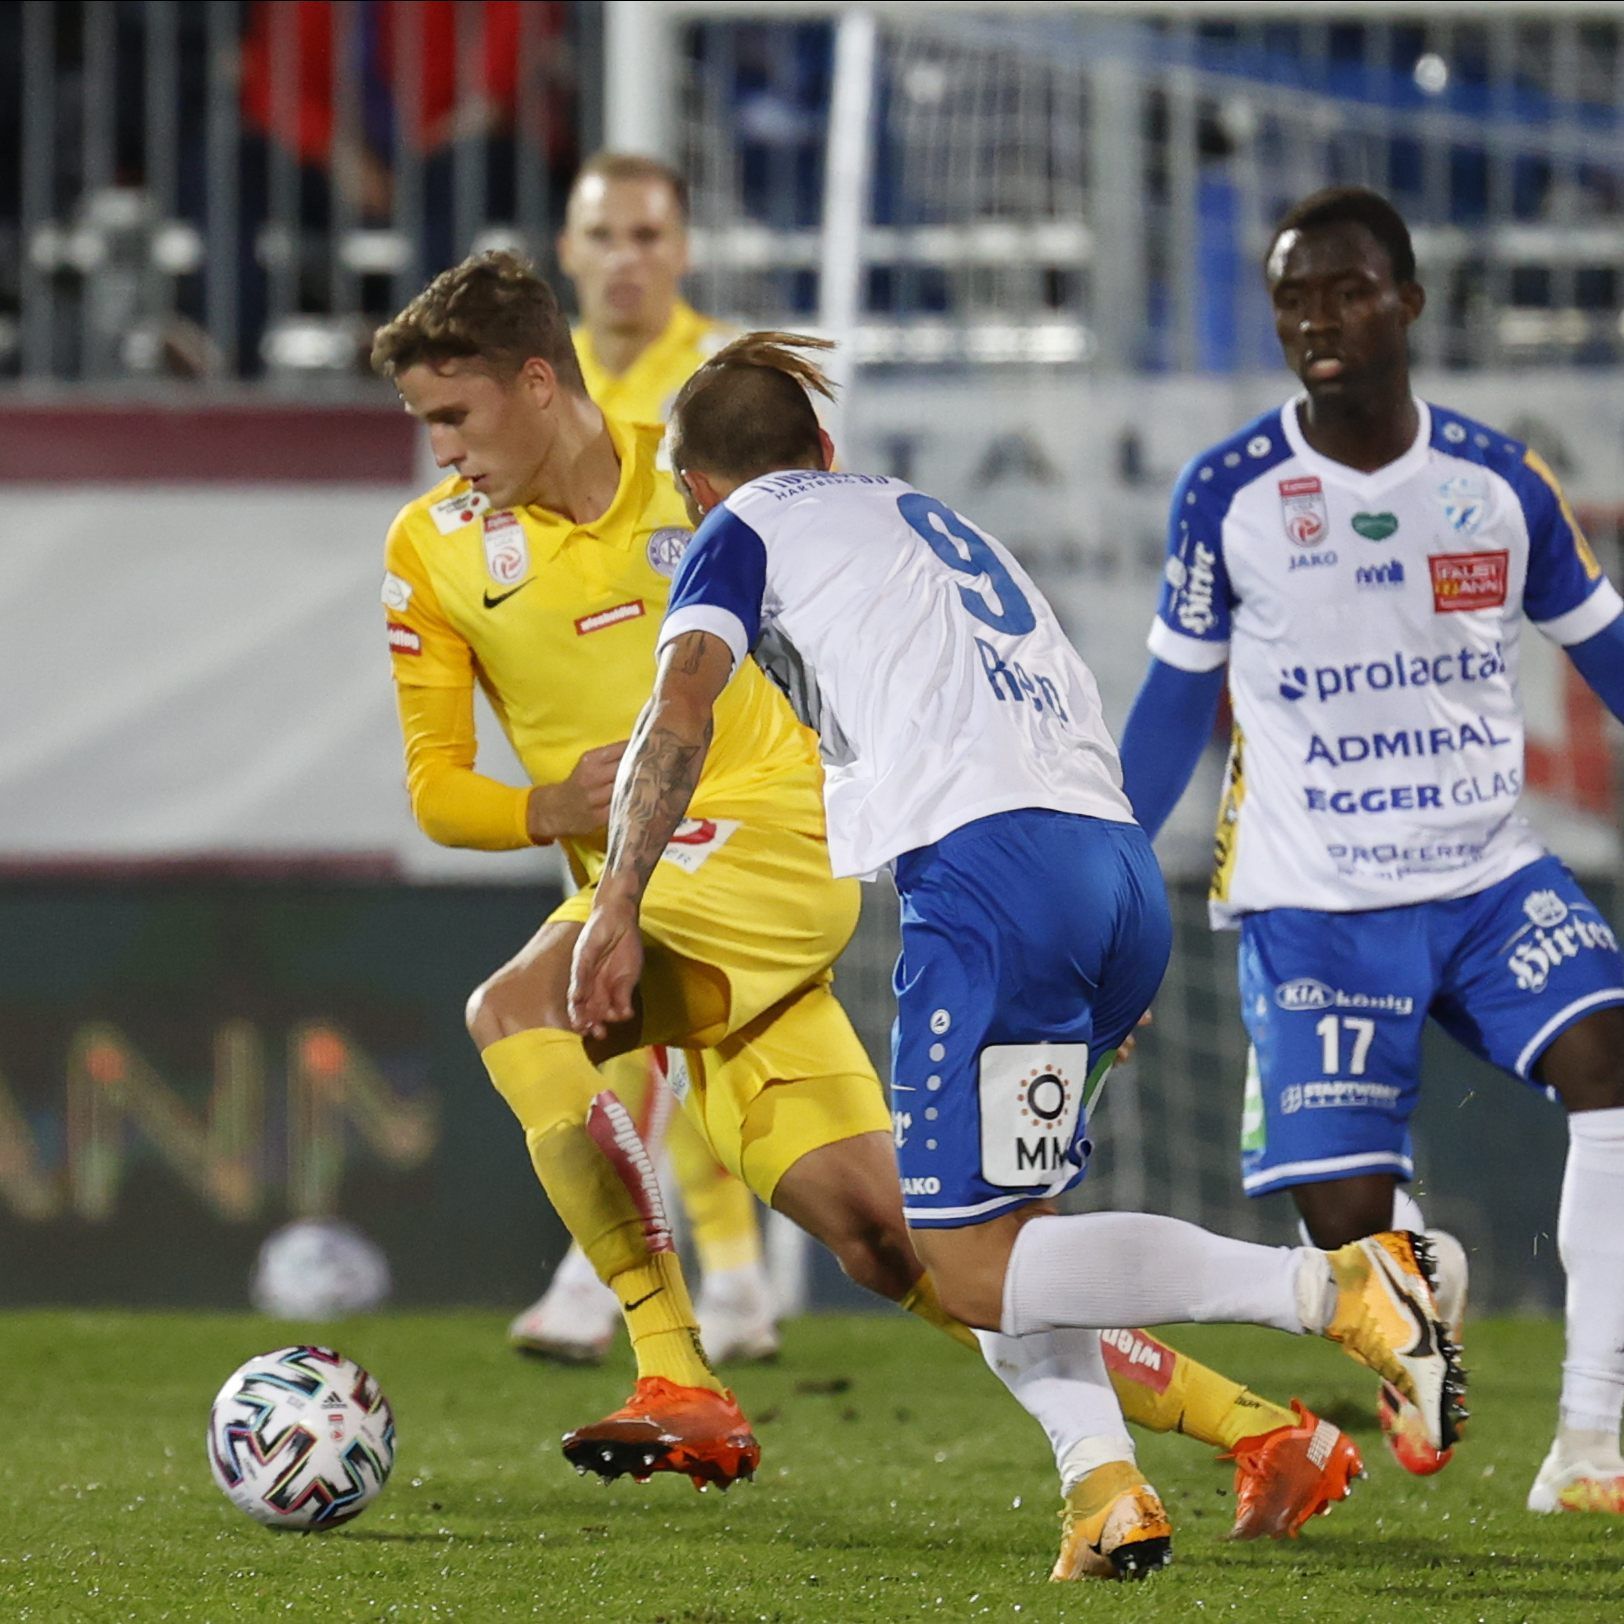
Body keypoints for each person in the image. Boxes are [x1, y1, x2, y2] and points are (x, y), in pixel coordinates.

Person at [371, 252, 1377, 1575]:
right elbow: (441, 793)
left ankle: (676, 1370)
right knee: (905, 1239)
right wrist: (555, 804)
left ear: (536, 382)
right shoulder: (433, 551)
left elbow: (716, 691)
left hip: (777, 845)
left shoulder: (709, 498)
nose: (441, 453)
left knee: (515, 1011)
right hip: (660, 896)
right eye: (424, 428)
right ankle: (1264, 1434)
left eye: (454, 417)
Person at [567, 329, 1466, 1578]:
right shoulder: (924, 518)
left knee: (973, 1265)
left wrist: (616, 903)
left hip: (993, 881)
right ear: (828, 448)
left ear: (698, 489)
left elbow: (677, 711)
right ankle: (1103, 1490)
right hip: (1106, 869)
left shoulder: (744, 523)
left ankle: (1334, 1289)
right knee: (1015, 1236)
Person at [1115, 185, 1624, 1513]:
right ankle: (1414, 1288)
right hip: (1315, 900)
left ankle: (1591, 1440)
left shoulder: (1498, 483)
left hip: (1487, 875)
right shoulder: (1226, 493)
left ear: (1405, 299)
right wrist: (1104, 880)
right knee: (1352, 1244)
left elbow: (1608, 652)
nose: (1317, 319)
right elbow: (1176, 702)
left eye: (1345, 290)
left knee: (1613, 1064)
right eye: (1293, 297)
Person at [509, 152, 777, 1368]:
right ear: (568, 252)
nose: (625, 256)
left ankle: (592, 1271)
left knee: (625, 1000)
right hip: (583, 755)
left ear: (682, 251)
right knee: (673, 1024)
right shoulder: (527, 387)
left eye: (647, 234)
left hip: (702, 754)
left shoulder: (729, 386)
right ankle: (735, 1278)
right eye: (602, 234)